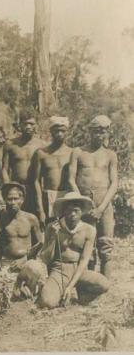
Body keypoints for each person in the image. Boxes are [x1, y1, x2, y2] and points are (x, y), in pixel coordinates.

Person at [38, 192, 110, 308]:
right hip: (59, 270)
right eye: (69, 210)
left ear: (82, 212)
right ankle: (50, 289)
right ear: (63, 211)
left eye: (76, 210)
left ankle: (82, 294)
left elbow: (84, 261)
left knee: (104, 284)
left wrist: (70, 287)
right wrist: (52, 237)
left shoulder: (89, 230)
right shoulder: (52, 227)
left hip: (79, 270)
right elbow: (45, 259)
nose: (72, 214)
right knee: (47, 302)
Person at [69, 115, 118, 278]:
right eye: (96, 131)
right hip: (84, 206)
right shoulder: (78, 152)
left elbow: (114, 183)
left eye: (103, 132)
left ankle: (105, 285)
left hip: (104, 206)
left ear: (107, 133)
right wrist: (83, 203)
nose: (99, 135)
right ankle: (86, 285)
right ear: (90, 132)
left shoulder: (110, 155)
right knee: (85, 246)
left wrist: (102, 207)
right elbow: (71, 179)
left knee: (106, 245)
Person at [2, 109, 46, 214]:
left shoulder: (42, 145)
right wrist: (9, 188)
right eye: (25, 124)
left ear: (36, 125)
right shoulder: (10, 145)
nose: (29, 127)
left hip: (36, 190)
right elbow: (4, 169)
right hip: (16, 189)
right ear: (20, 125)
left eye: (31, 124)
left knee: (36, 218)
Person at [33, 117, 73, 227]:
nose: (59, 134)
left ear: (67, 132)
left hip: (67, 197)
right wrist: (40, 209)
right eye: (56, 131)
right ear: (51, 131)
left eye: (62, 131)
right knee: (50, 232)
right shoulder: (41, 153)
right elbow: (36, 181)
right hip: (48, 197)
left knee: (67, 234)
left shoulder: (72, 153)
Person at [0, 182, 43, 271]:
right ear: (4, 200)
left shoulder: (31, 218)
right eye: (9, 199)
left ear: (22, 200)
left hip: (28, 260)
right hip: (8, 262)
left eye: (16, 199)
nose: (12, 202)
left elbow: (40, 243)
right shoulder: (1, 219)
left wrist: (25, 259)